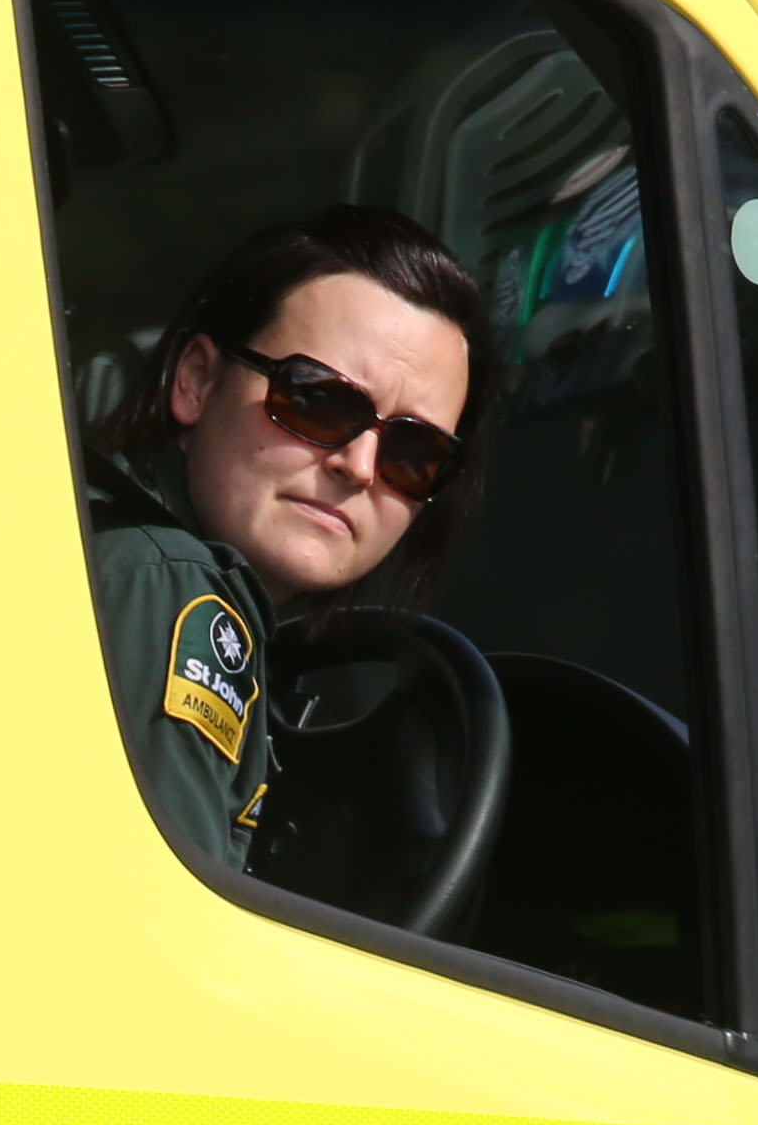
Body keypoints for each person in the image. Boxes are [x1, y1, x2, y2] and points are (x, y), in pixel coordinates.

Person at [84, 205, 489, 871]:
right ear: (197, 381)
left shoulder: (119, 562)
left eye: (415, 453)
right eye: (319, 400)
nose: (358, 468)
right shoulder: (170, 592)